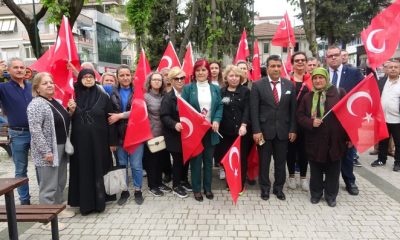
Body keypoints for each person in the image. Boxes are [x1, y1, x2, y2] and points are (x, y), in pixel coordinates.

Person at [27, 72, 75, 230]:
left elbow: (62, 120)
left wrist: (70, 112)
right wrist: (46, 151)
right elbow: (35, 131)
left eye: (51, 82)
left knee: (60, 181)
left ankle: (58, 209)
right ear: (37, 88)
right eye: (44, 83)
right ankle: (46, 220)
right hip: (48, 151)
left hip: (60, 147)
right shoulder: (36, 104)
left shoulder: (54, 101)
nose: (49, 85)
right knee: (48, 185)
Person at [68, 69, 117, 215]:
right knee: (83, 171)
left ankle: (100, 202)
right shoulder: (73, 96)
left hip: (100, 143)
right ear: (80, 79)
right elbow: (63, 119)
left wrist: (112, 142)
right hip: (80, 144)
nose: (88, 79)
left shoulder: (103, 97)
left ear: (95, 78)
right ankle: (85, 204)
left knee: (99, 169)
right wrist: (70, 110)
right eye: (85, 77)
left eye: (91, 76)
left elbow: (111, 120)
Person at [297, 67, 348, 207]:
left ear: (326, 78)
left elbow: (348, 116)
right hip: (315, 140)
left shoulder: (339, 92)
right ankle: (316, 193)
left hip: (335, 140)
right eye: (315, 78)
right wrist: (310, 122)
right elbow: (300, 116)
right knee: (316, 170)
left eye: (321, 78)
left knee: (333, 170)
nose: (318, 81)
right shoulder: (308, 97)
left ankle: (331, 196)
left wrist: (348, 137)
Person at [250, 55, 297, 201]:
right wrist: (256, 130)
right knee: (264, 163)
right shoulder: (258, 85)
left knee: (280, 163)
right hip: (264, 132)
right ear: (267, 68)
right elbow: (254, 110)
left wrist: (293, 129)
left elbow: (293, 110)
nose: (276, 69)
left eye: (278, 66)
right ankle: (265, 188)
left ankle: (278, 188)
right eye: (273, 66)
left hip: (283, 132)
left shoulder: (289, 85)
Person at [181, 59, 223, 202]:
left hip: (210, 130)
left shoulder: (216, 88)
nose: (201, 73)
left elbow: (219, 107)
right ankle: (197, 189)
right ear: (194, 72)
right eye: (198, 70)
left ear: (208, 72)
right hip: (195, 132)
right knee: (196, 162)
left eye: (204, 70)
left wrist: (216, 120)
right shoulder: (188, 88)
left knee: (208, 161)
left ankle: (208, 188)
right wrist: (195, 119)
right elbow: (181, 107)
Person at [326, 45, 363, 196]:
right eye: (330, 56)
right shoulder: (321, 74)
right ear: (326, 59)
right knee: (327, 152)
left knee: (348, 152)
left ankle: (349, 181)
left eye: (336, 55)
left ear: (342, 56)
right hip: (327, 121)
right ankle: (327, 180)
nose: (333, 58)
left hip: (347, 120)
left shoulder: (354, 73)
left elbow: (361, 96)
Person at [107, 64, 145, 206]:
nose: (125, 77)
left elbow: (139, 111)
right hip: (118, 135)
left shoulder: (139, 92)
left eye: (127, 75)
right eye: (121, 75)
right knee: (122, 165)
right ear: (117, 77)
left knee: (136, 165)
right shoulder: (110, 91)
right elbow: (88, 81)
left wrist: (120, 116)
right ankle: (124, 191)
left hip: (136, 134)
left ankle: (137, 190)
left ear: (132, 76)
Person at [0, 57, 32, 205]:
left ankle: (45, 197)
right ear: (9, 70)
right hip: (18, 134)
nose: (19, 70)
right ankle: (25, 202)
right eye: (16, 67)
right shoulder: (3, 88)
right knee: (21, 170)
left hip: (36, 132)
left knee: (41, 167)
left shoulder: (32, 87)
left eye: (21, 67)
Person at [214, 65, 250, 192]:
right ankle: (230, 182)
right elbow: (218, 109)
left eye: (236, 76)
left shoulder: (245, 91)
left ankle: (240, 184)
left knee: (241, 159)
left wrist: (244, 125)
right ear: (226, 77)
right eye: (231, 76)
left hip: (241, 132)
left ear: (240, 78)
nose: (234, 78)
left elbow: (247, 110)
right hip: (225, 133)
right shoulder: (221, 92)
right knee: (228, 158)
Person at [160, 67, 192, 198]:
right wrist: (174, 124)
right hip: (174, 135)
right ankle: (176, 186)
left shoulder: (188, 93)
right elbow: (164, 116)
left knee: (186, 158)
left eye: (182, 78)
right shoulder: (168, 97)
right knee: (178, 160)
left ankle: (184, 180)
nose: (180, 80)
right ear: (171, 80)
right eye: (176, 78)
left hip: (187, 134)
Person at [143, 72, 173, 196]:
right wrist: (121, 115)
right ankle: (152, 186)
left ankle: (159, 183)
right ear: (150, 82)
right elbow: (136, 113)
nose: (157, 82)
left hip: (164, 134)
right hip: (151, 135)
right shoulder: (145, 97)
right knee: (152, 162)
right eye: (154, 79)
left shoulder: (164, 96)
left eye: (159, 80)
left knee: (161, 160)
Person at [287, 52, 311, 191]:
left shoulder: (312, 81)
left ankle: (303, 178)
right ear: (293, 63)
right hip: (290, 123)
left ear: (306, 62)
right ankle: (291, 177)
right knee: (290, 151)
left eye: (303, 60)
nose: (300, 62)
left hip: (306, 124)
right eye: (297, 60)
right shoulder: (287, 81)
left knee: (304, 151)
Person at [371, 60, 400, 171]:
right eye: (391, 67)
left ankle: (398, 162)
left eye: (396, 67)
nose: (393, 69)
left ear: (399, 70)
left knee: (398, 143)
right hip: (383, 119)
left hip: (397, 119)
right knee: (383, 141)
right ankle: (381, 160)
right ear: (387, 69)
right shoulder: (382, 81)